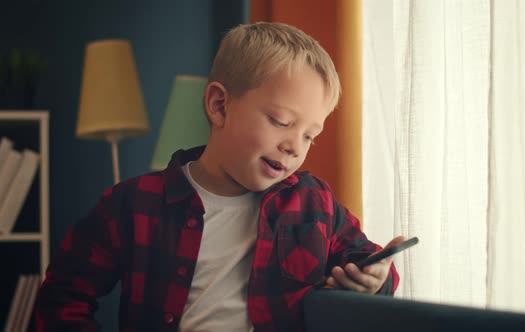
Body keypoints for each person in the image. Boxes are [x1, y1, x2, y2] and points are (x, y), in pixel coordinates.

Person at [34, 22, 403, 332]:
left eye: (309, 135)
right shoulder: (133, 204)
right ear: (219, 105)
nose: (295, 146)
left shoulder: (314, 203)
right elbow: (63, 295)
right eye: (281, 122)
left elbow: (367, 262)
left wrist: (376, 280)